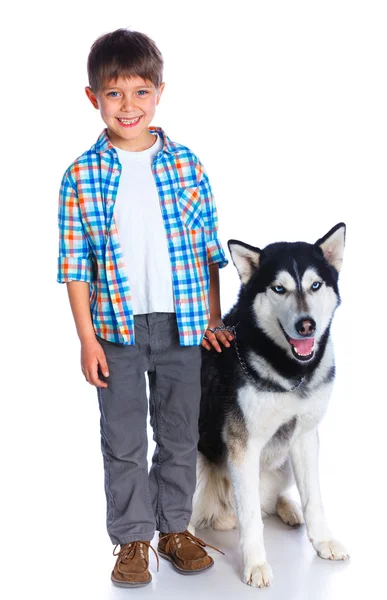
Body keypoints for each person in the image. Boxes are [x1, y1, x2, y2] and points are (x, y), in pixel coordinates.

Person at [57, 28, 233, 588]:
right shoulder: (81, 176)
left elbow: (209, 251)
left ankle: (174, 528)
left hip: (183, 327)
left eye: (140, 92)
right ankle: (132, 539)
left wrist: (212, 317)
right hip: (116, 332)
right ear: (93, 98)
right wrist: (87, 339)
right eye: (114, 94)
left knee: (180, 434)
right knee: (125, 439)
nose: (127, 106)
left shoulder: (186, 166)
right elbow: (74, 265)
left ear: (159, 92)